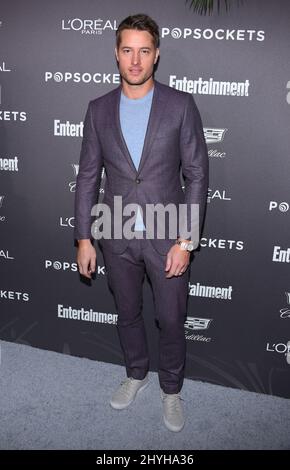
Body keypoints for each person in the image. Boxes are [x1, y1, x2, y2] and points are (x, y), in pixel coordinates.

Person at [74, 13, 208, 433]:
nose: (135, 60)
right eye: (127, 50)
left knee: (171, 318)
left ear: (156, 55)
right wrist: (83, 237)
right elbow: (87, 176)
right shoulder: (98, 110)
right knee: (127, 313)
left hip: (167, 234)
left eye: (144, 51)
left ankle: (171, 389)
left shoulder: (180, 105)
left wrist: (186, 240)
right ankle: (136, 374)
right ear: (116, 54)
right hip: (115, 234)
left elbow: (198, 174)